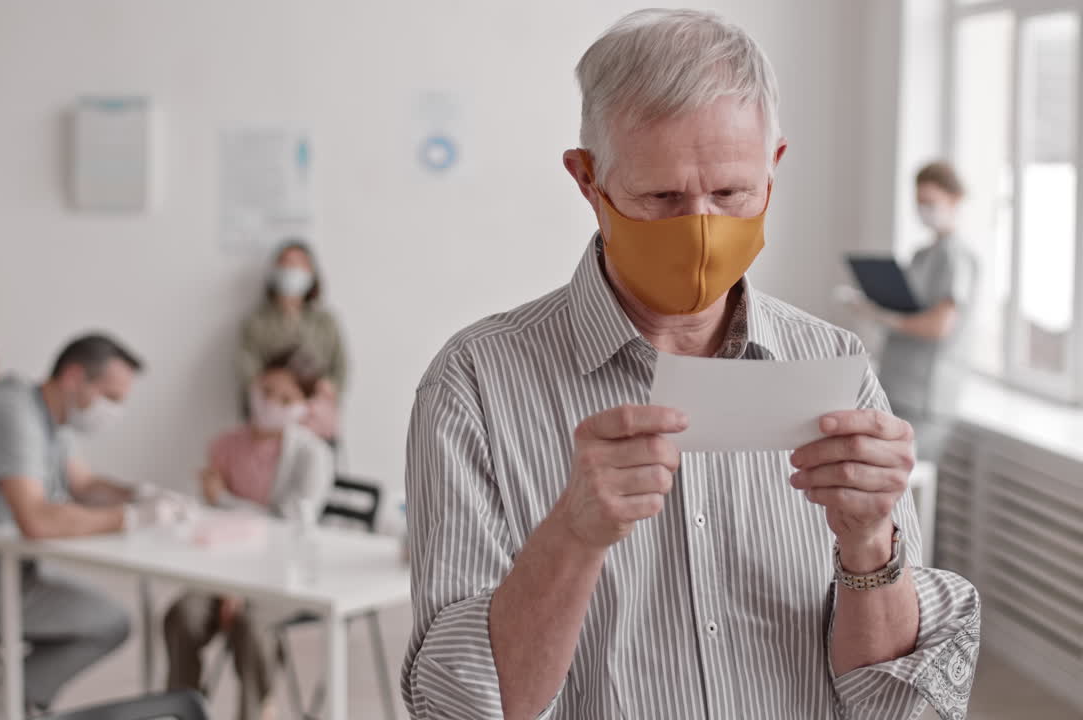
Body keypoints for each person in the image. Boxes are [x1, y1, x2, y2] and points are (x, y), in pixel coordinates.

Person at [402, 10, 980, 720]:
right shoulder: (474, 388)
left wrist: (870, 548)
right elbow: (457, 707)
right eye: (663, 199)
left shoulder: (836, 366)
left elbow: (892, 706)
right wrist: (573, 537)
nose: (701, 230)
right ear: (588, 181)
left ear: (773, 170)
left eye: (731, 195)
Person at [0, 333, 193, 714]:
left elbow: (84, 486)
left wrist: (141, 494)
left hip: (6, 578)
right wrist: (132, 519)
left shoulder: (51, 418)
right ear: (75, 377)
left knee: (102, 612)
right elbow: (37, 520)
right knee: (111, 622)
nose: (113, 411)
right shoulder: (11, 412)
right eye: (110, 397)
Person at [163, 351, 335, 720]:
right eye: (266, 390)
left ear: (303, 407)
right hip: (222, 572)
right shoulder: (224, 445)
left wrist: (224, 499)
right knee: (183, 615)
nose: (270, 402)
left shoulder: (312, 455)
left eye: (285, 399)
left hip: (287, 572)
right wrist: (231, 584)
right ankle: (180, 709)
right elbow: (206, 520)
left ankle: (258, 710)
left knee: (251, 622)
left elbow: (288, 525)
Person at [870, 162, 979, 460]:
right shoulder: (921, 254)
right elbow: (907, 305)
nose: (923, 210)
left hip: (925, 398)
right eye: (919, 203)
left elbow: (939, 326)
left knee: (897, 483)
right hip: (895, 386)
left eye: (931, 203)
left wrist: (888, 319)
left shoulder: (956, 258)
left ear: (954, 200)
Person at [236, 241, 347, 442]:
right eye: (285, 264)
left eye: (298, 265)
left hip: (315, 423)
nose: (291, 270)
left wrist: (329, 387)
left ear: (311, 273)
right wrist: (276, 394)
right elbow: (247, 371)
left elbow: (340, 368)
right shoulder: (256, 322)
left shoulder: (325, 322)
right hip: (270, 423)